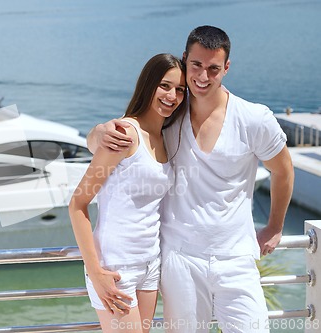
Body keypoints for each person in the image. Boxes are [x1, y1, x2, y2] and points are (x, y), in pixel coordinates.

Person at [87, 26, 294, 333]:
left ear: (226, 68)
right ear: (185, 60)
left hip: (236, 259)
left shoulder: (253, 118)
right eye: (196, 65)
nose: (202, 76)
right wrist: (99, 133)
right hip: (179, 260)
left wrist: (275, 227)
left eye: (213, 68)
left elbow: (284, 169)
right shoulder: (169, 113)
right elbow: (123, 138)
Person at [68, 53, 187, 333]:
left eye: (180, 90)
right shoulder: (124, 134)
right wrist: (96, 272)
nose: (172, 95)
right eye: (165, 86)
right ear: (148, 85)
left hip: (149, 263)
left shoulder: (164, 137)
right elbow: (78, 203)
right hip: (115, 267)